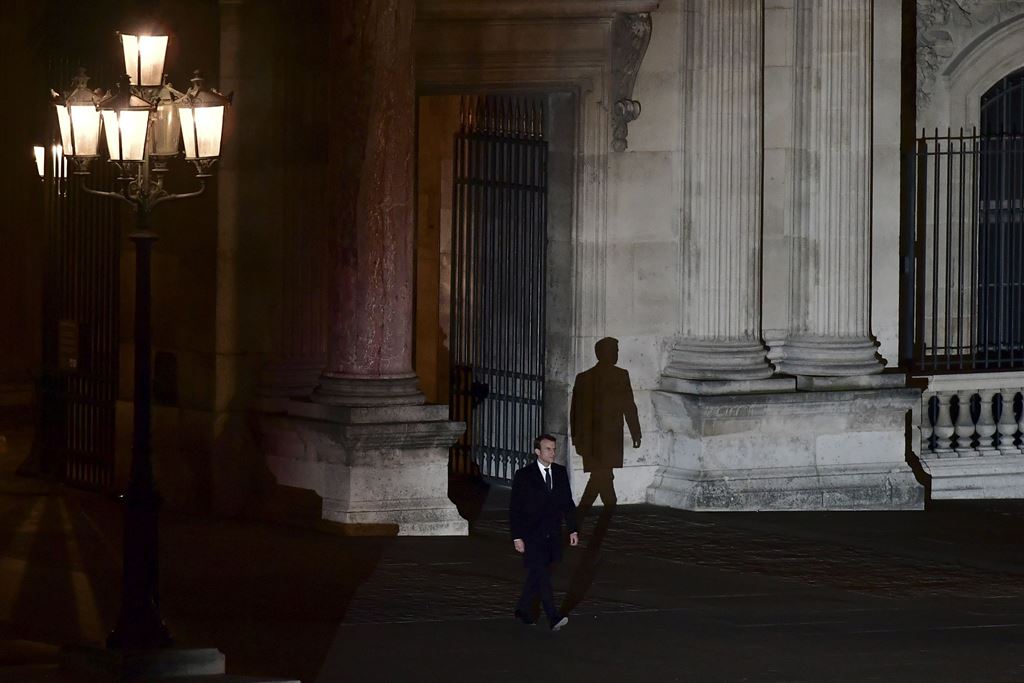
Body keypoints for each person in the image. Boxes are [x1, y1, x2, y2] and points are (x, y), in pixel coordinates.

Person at [509, 434, 579, 631]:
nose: (553, 453)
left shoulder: (559, 472)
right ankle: (553, 616)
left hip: (553, 533)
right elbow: (515, 508)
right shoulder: (524, 475)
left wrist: (573, 528)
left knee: (538, 573)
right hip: (532, 534)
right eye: (548, 449)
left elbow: (567, 503)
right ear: (537, 451)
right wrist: (517, 536)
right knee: (542, 574)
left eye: (554, 449)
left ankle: (523, 608)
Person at [570, 337, 641, 516]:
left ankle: (595, 510)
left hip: (593, 439)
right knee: (602, 475)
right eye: (614, 350)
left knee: (601, 474)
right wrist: (635, 433)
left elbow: (575, 413)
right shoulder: (619, 376)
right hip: (606, 438)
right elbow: (629, 407)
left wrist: (576, 438)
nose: (617, 354)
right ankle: (603, 508)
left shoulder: (585, 377)